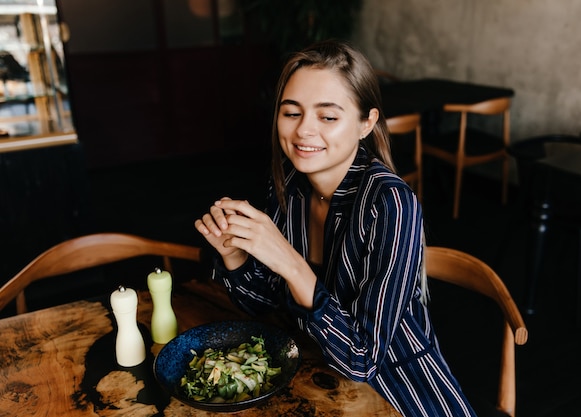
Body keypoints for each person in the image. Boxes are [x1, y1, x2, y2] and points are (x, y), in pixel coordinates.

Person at [195, 39, 477, 417]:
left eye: (328, 117)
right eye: (291, 113)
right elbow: (265, 304)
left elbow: (362, 360)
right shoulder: (290, 184)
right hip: (318, 378)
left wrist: (290, 261)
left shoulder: (389, 203)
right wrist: (235, 256)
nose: (303, 132)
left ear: (366, 123)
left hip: (400, 390)